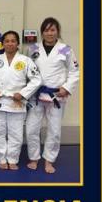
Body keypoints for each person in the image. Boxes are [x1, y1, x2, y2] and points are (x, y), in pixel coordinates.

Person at [25, 18, 80, 174]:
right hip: (36, 95)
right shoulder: (33, 48)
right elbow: (27, 71)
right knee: (31, 129)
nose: (49, 33)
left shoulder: (65, 49)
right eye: (46, 30)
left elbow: (74, 71)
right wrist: (26, 91)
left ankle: (49, 160)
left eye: (52, 30)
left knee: (54, 130)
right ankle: (34, 158)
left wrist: (66, 88)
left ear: (57, 31)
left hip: (56, 95)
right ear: (42, 32)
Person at [0, 31, 41, 170]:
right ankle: (2, 158)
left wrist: (23, 94)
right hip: (0, 101)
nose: (10, 43)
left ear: (17, 43)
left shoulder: (25, 60)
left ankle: (12, 159)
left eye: (13, 41)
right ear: (2, 44)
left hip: (17, 101)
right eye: (7, 41)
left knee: (16, 133)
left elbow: (37, 79)